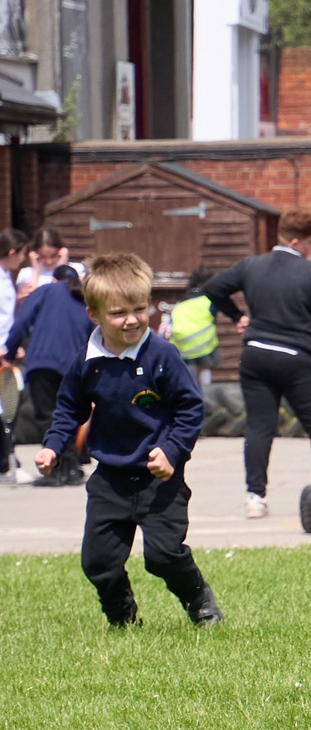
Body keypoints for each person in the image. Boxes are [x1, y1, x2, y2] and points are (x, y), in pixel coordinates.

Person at [36, 254, 221, 627]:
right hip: (111, 477)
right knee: (98, 562)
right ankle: (122, 617)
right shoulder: (88, 362)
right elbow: (70, 407)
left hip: (160, 479)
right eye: (119, 313)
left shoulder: (162, 356)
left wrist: (171, 451)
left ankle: (199, 600)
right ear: (95, 315)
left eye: (140, 308)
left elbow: (190, 410)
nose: (133, 320)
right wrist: (53, 445)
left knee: (163, 556)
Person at [203, 209, 311, 518]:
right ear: (296, 241)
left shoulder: (251, 265)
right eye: (309, 243)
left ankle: (255, 496)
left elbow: (213, 288)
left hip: (255, 354)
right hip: (294, 357)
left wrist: (238, 316)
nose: (310, 249)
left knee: (259, 426)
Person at [6, 265, 94, 486]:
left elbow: (22, 321)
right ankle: (72, 468)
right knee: (70, 413)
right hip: (75, 365)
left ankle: (56, 471)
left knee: (47, 415)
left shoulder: (46, 291)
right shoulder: (84, 298)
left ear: (54, 280)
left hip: (43, 362)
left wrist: (10, 350)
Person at [164, 267, 222, 392]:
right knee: (206, 364)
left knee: (190, 374)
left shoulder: (181, 303)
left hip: (182, 347)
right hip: (203, 346)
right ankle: (207, 391)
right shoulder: (209, 301)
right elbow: (212, 321)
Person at [0, 230, 23, 474]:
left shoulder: (6, 277)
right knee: (5, 406)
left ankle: (7, 458)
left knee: (8, 405)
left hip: (6, 351)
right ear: (12, 252)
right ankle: (5, 460)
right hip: (1, 351)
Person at [14, 226, 77, 298]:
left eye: (53, 255)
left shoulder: (74, 270)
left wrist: (61, 267)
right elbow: (31, 298)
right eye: (43, 256)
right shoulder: (26, 273)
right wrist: (36, 270)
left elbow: (66, 294)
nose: (48, 261)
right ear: (35, 253)